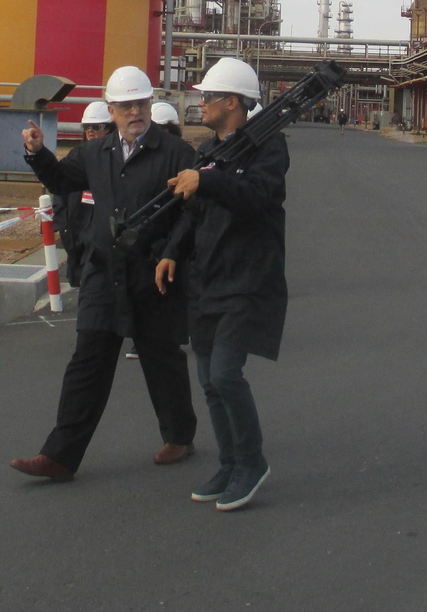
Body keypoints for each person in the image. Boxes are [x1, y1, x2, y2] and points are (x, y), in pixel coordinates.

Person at [12, 66, 200, 482]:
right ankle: (59, 456)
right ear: (111, 110)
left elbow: (191, 214)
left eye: (140, 103)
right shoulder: (97, 154)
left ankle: (180, 435)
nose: (134, 112)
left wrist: (172, 253)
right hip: (105, 271)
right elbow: (61, 179)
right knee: (88, 360)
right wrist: (38, 153)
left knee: (160, 357)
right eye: (125, 106)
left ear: (150, 104)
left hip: (155, 273)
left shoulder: (176, 154)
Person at [157, 56, 287, 512]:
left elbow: (254, 198)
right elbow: (192, 214)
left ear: (232, 102)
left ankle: (252, 462)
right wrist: (172, 251)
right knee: (208, 381)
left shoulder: (269, 148)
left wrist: (207, 180)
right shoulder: (208, 152)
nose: (201, 104)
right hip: (208, 280)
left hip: (247, 279)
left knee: (226, 374)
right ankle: (230, 462)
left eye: (208, 98)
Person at [55, 101, 112, 288]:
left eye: (96, 126)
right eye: (86, 127)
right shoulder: (76, 156)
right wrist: (63, 226)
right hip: (77, 238)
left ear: (109, 129)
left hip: (101, 244)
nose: (90, 131)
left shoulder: (115, 160)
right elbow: (59, 188)